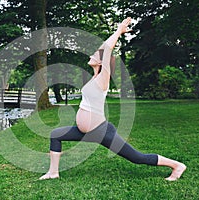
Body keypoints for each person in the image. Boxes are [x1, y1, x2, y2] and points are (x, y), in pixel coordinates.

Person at [39, 17, 186, 181]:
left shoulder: (103, 78)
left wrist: (119, 31)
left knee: (137, 157)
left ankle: (176, 165)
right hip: (84, 131)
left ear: (102, 62)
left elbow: (106, 50)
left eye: (96, 54)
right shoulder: (94, 78)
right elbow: (103, 50)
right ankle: (53, 172)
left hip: (101, 132)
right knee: (56, 134)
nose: (93, 54)